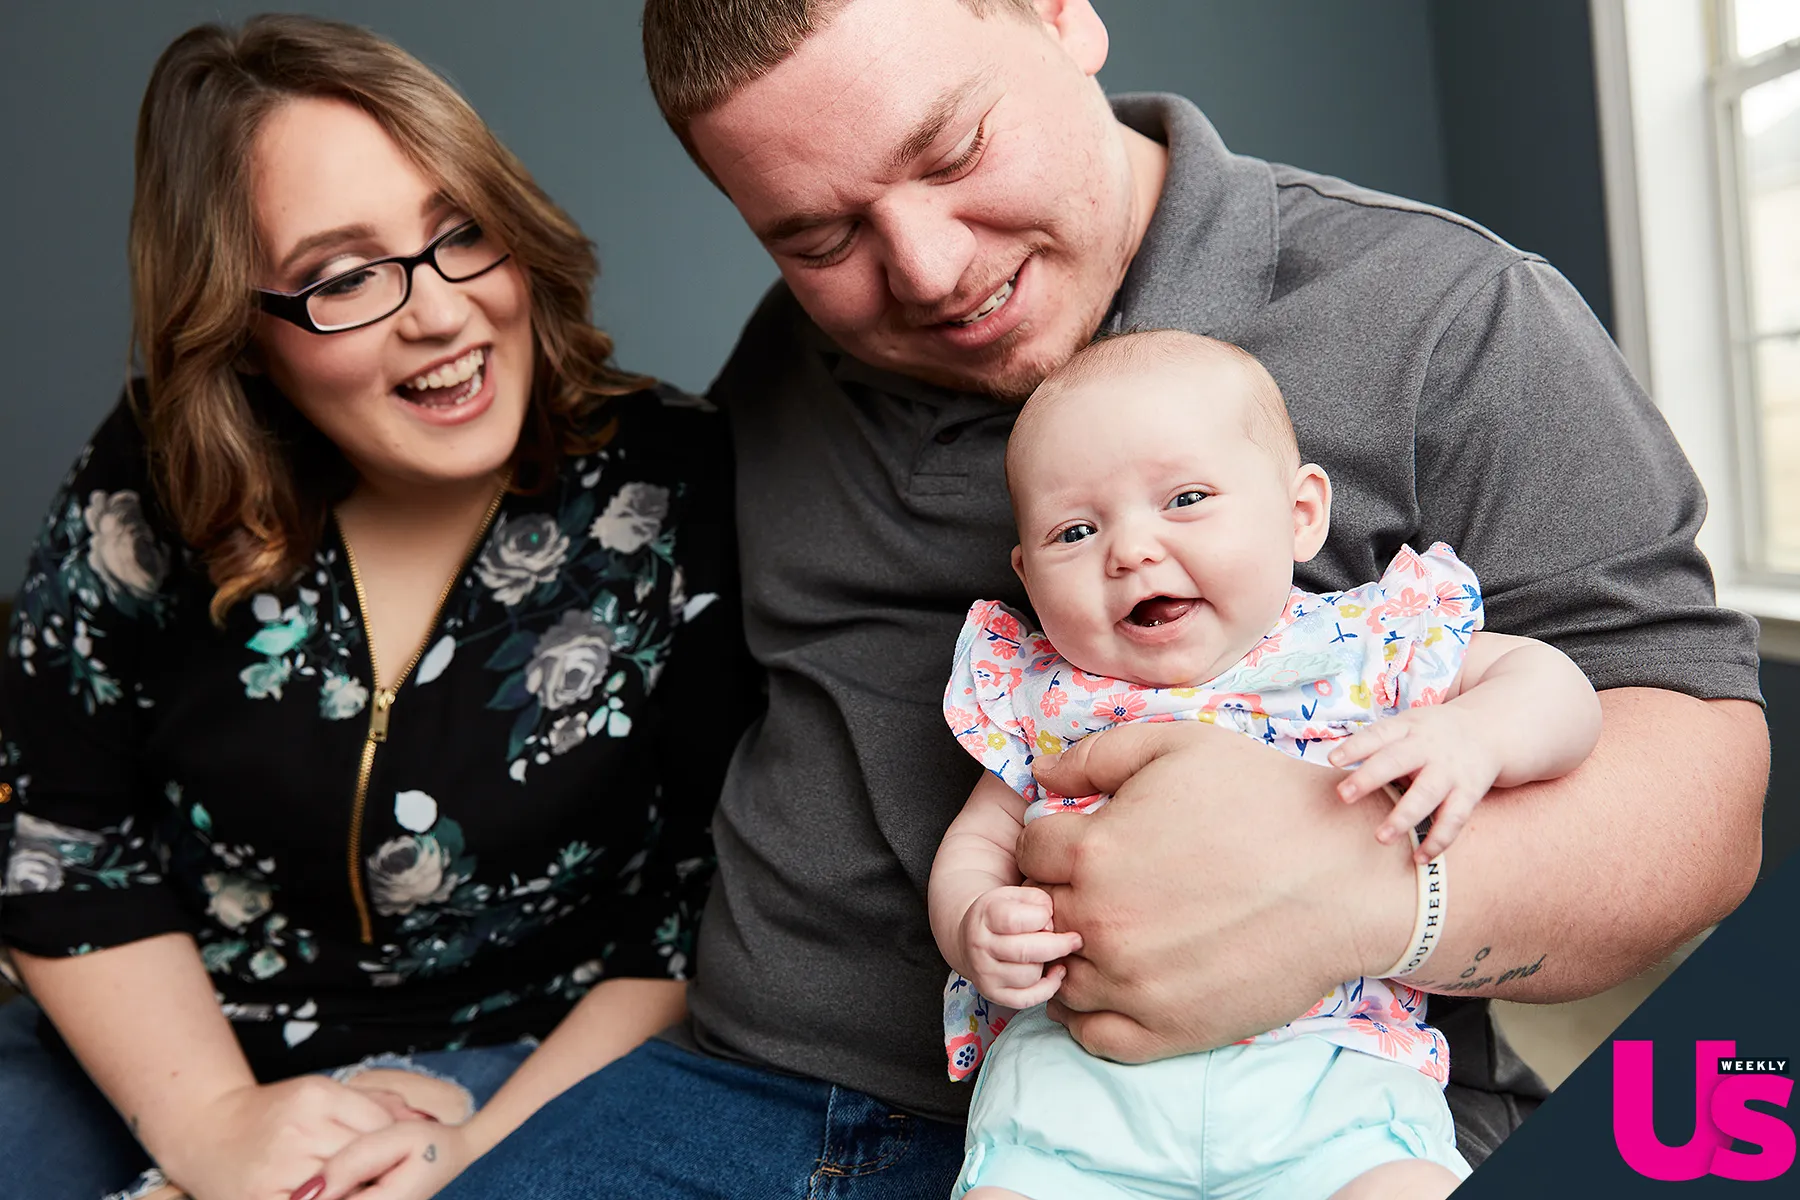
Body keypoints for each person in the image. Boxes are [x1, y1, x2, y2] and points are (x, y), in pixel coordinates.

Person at [441, 0, 1768, 1194]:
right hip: (738, 1086)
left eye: (953, 152)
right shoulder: (782, 372)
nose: (925, 271)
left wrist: (1369, 901)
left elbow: (1700, 802)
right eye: (820, 234)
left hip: (1283, 1111)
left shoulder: (1449, 316)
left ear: (1063, 15)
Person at [0, 15, 755, 1200]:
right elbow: (61, 838)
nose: (442, 313)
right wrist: (212, 1128)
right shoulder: (149, 477)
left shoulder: (677, 482)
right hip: (165, 1049)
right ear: (240, 332)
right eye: (342, 277)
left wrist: (481, 1143)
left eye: (463, 235)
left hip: (542, 1061)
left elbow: (708, 900)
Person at [931, 330, 1602, 1199]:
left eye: (1186, 497)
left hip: (1332, 1086)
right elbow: (979, 840)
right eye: (1076, 529)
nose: (1129, 550)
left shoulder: (1364, 648)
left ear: (1300, 515)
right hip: (1083, 1093)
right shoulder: (1041, 696)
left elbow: (1558, 689)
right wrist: (975, 924)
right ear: (1028, 571)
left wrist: (1477, 734)